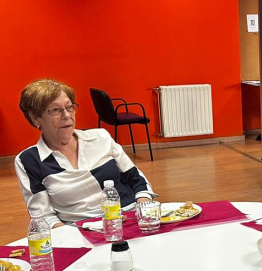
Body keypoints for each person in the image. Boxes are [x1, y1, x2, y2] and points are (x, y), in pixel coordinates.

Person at [15, 78, 156, 227]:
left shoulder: (100, 137)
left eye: (69, 107)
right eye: (56, 110)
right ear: (35, 117)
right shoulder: (28, 160)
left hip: (130, 218)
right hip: (80, 231)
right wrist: (81, 236)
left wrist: (143, 211)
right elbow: (44, 217)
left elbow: (137, 180)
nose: (67, 115)